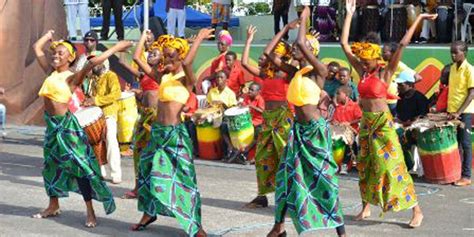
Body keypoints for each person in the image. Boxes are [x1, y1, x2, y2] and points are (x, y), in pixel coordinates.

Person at [341, 0, 431, 228]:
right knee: (366, 165)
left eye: (366, 58)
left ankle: (417, 210)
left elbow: (402, 44)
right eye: (361, 59)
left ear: (376, 58)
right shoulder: (362, 72)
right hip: (367, 124)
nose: (362, 61)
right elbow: (343, 43)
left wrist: (419, 19)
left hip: (383, 124)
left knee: (393, 167)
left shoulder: (385, 73)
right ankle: (366, 207)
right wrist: (350, 14)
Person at [32, 30, 130, 227]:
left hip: (67, 128)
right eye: (55, 53)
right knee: (50, 166)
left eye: (61, 53)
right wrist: (50, 35)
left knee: (80, 168)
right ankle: (53, 205)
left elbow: (92, 63)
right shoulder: (50, 73)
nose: (56, 56)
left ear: (70, 58)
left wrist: (116, 48)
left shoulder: (72, 78)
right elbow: (37, 48)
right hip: (51, 128)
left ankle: (91, 211)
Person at [267, 7, 346, 236]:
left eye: (303, 47)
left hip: (315, 132)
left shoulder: (318, 71)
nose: (295, 47)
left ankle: (342, 232)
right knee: (285, 177)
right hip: (298, 132)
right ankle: (278, 227)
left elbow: (301, 44)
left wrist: (303, 18)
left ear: (313, 51)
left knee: (325, 181)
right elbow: (271, 53)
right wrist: (284, 28)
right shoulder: (294, 73)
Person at [130, 29, 213, 237]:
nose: (166, 59)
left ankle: (196, 225)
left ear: (180, 57)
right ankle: (149, 213)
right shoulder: (162, 76)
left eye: (170, 56)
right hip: (157, 133)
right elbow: (136, 58)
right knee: (145, 170)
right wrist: (143, 37)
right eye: (165, 55)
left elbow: (186, 63)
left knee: (186, 179)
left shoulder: (187, 78)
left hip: (175, 135)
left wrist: (200, 39)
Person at [241, 25, 293, 209]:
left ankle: (289, 197)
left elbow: (269, 52)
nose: (270, 57)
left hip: (283, 119)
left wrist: (286, 29)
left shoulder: (288, 73)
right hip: (268, 119)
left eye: (276, 55)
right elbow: (245, 63)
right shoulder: (266, 74)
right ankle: (261, 196)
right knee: (262, 157)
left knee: (284, 158)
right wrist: (248, 41)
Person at [122, 30, 162, 199]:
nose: (151, 54)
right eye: (150, 53)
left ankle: (155, 189)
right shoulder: (146, 74)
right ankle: (139, 187)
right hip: (144, 114)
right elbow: (132, 60)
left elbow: (137, 57)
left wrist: (143, 38)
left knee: (154, 155)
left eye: (155, 53)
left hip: (154, 117)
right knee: (139, 152)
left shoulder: (160, 74)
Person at [82, 56, 122, 184]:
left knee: (110, 141)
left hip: (109, 113)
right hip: (96, 115)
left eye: (96, 63)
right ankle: (101, 171)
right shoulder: (92, 79)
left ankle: (116, 173)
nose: (94, 66)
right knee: (96, 143)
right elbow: (89, 95)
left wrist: (96, 100)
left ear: (104, 63)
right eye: (92, 64)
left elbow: (116, 94)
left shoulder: (111, 76)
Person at [447, 41, 474, 187]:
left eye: (455, 52)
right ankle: (456, 173)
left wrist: (459, 112)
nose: (452, 55)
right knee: (454, 144)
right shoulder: (452, 68)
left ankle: (466, 176)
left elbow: (471, 94)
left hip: (465, 112)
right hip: (452, 112)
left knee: (465, 143)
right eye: (451, 52)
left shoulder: (470, 69)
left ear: (464, 52)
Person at [394, 70, 429, 171]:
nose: (398, 87)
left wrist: (407, 123)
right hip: (403, 125)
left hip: (414, 128)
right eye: (398, 84)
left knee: (400, 136)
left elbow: (422, 118)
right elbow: (399, 115)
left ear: (410, 84)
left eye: (401, 85)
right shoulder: (401, 96)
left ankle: (408, 165)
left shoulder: (420, 98)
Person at [382, 42, 422, 116]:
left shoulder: (400, 65)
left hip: (393, 102)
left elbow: (418, 77)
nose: (382, 54)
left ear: (393, 53)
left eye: (384, 52)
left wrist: (404, 87)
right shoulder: (384, 64)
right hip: (383, 101)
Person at [230, 82, 265, 164]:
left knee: (257, 134)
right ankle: (235, 151)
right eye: (249, 89)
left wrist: (252, 106)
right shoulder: (247, 97)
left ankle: (243, 153)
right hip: (247, 121)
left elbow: (262, 111)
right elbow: (244, 107)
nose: (249, 91)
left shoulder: (260, 99)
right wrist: (240, 105)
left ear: (258, 92)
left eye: (252, 90)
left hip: (257, 122)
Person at [332, 85, 362, 175]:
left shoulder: (354, 106)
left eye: (338, 94)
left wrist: (349, 123)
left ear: (346, 95)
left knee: (347, 140)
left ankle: (344, 164)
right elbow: (334, 119)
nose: (336, 96)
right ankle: (335, 163)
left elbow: (360, 118)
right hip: (340, 129)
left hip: (351, 130)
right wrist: (336, 122)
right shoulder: (338, 107)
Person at [74, 31, 108, 95]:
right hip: (83, 92)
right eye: (86, 40)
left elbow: (103, 73)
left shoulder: (101, 55)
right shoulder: (82, 57)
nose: (88, 42)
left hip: (97, 92)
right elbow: (77, 73)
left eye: (92, 40)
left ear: (96, 42)